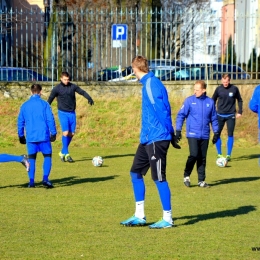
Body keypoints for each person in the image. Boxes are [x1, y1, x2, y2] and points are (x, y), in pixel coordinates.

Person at [120, 55, 180, 229]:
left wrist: (170, 133)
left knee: (159, 178)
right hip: (147, 139)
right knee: (135, 172)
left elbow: (162, 110)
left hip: (158, 138)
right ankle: (140, 215)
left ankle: (167, 218)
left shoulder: (151, 84)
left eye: (132, 69)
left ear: (135, 69)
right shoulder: (148, 83)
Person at [175, 80, 218, 188]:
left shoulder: (210, 102)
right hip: (192, 133)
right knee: (194, 154)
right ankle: (186, 175)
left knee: (202, 157)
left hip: (205, 134)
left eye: (197, 90)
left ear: (203, 90)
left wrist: (216, 133)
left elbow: (214, 118)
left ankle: (201, 180)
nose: (195, 92)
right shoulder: (189, 101)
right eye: (194, 89)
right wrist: (178, 130)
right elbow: (181, 115)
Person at [47, 72, 94, 163]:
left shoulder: (72, 87)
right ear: (61, 79)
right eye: (65, 79)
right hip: (62, 113)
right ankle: (67, 154)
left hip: (72, 113)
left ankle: (62, 152)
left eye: (68, 79)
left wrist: (89, 98)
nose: (67, 81)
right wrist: (45, 109)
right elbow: (50, 99)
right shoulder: (57, 89)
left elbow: (82, 92)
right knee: (65, 133)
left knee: (71, 134)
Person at [18, 84, 57, 188]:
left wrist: (21, 135)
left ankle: (31, 182)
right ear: (40, 92)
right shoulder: (45, 104)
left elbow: (20, 121)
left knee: (31, 159)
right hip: (43, 136)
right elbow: (50, 119)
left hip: (31, 137)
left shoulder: (24, 105)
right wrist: (53, 132)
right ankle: (45, 179)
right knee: (47, 156)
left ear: (31, 92)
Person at [212, 74, 243, 161]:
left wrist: (240, 111)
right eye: (224, 81)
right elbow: (212, 100)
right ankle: (219, 154)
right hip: (219, 115)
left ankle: (228, 155)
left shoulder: (234, 89)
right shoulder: (218, 89)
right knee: (217, 133)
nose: (225, 83)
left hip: (230, 115)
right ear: (222, 80)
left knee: (230, 134)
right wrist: (213, 111)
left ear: (229, 81)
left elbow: (239, 100)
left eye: (227, 82)